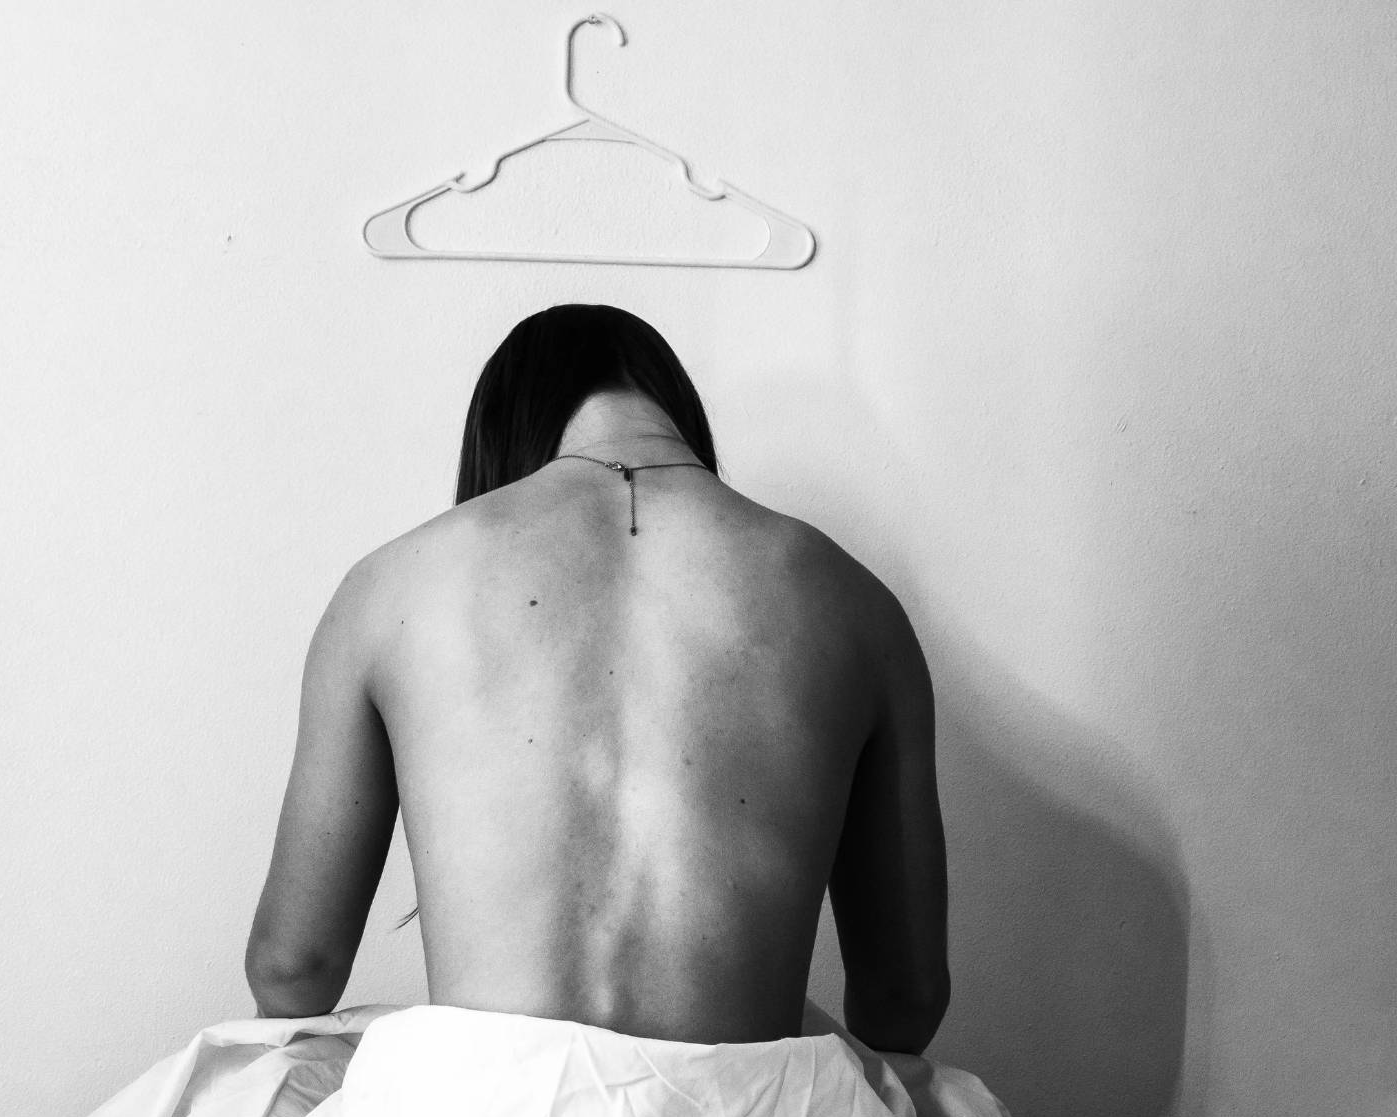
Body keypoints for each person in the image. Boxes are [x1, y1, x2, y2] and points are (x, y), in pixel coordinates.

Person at [245, 303, 949, 1054]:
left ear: (505, 432)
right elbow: (903, 1005)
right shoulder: (859, 606)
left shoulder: (386, 589)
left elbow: (294, 971)